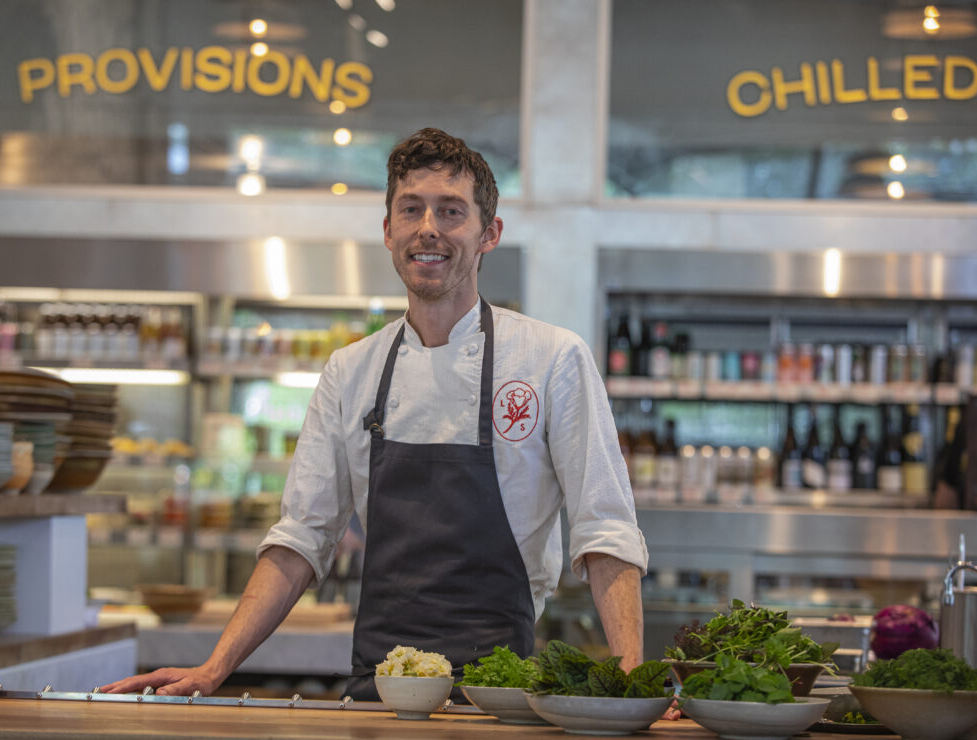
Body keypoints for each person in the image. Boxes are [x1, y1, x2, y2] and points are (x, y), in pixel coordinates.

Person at [103, 128, 649, 700]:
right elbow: (302, 536)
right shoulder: (351, 370)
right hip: (376, 693)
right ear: (388, 231)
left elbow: (605, 528)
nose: (428, 228)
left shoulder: (550, 358)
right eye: (411, 210)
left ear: (489, 234)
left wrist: (635, 682)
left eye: (451, 211)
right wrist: (214, 668)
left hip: (502, 696)